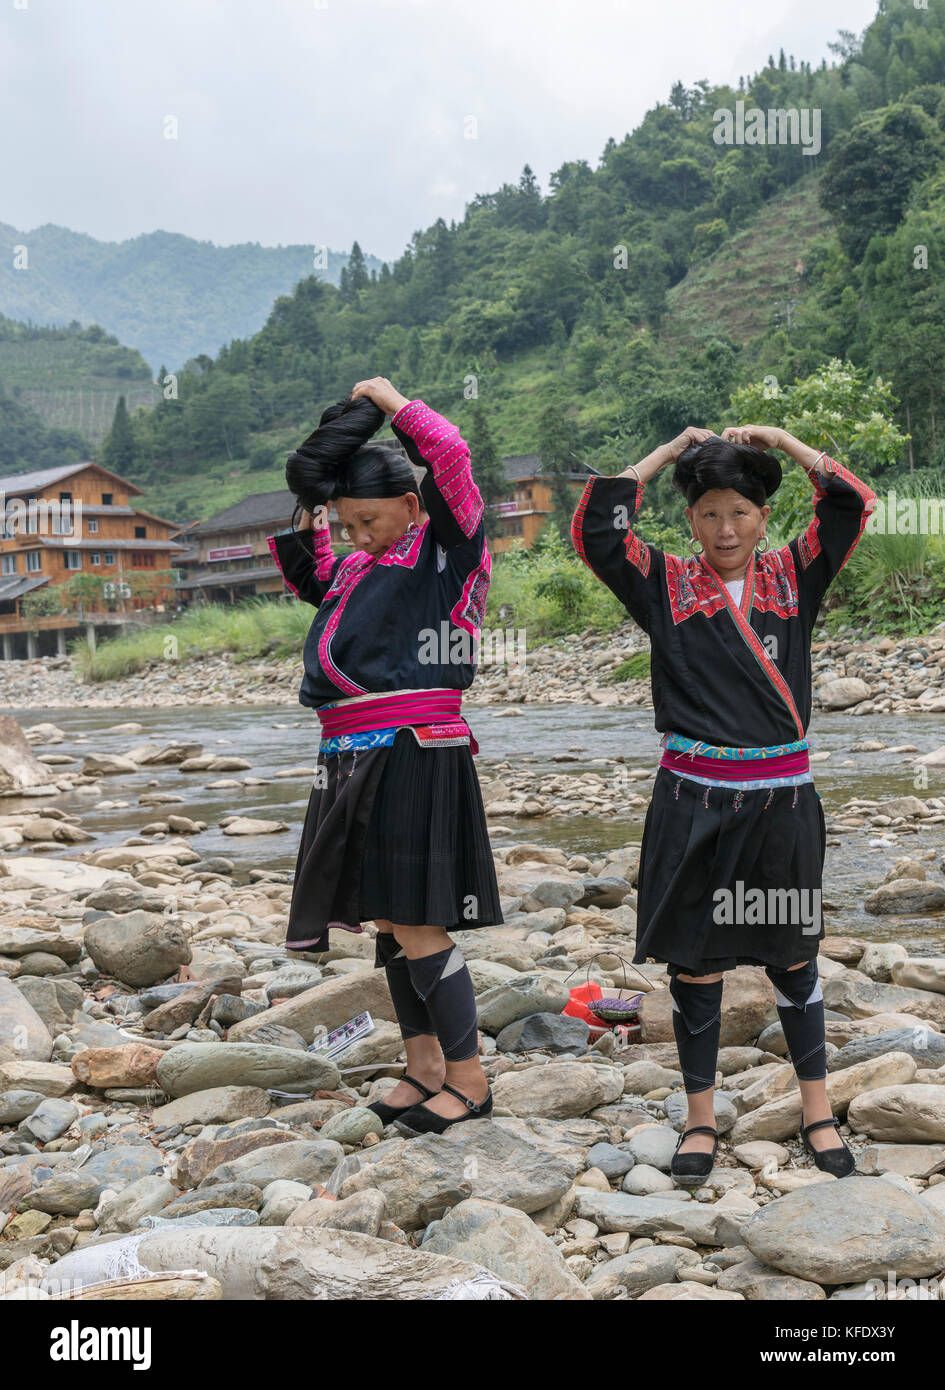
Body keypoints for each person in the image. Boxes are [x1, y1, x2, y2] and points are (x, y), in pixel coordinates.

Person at [571, 423, 876, 1184]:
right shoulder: (663, 585)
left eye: (739, 512)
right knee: (695, 968)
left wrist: (781, 438)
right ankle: (700, 1120)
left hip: (779, 802)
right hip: (692, 800)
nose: (724, 529)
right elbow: (597, 530)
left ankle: (815, 1112)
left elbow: (849, 500)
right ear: (690, 521)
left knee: (793, 960)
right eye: (707, 514)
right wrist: (666, 454)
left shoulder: (794, 574)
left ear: (763, 516)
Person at [265, 377, 502, 1134]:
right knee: (390, 926)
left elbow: (450, 453)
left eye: (368, 519)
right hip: (350, 757)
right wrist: (317, 489)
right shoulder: (355, 568)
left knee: (420, 922)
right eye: (347, 523)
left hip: (412, 751)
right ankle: (423, 1065)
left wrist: (392, 403)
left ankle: (468, 1078)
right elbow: (307, 562)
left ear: (411, 504)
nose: (358, 535)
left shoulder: (446, 549)